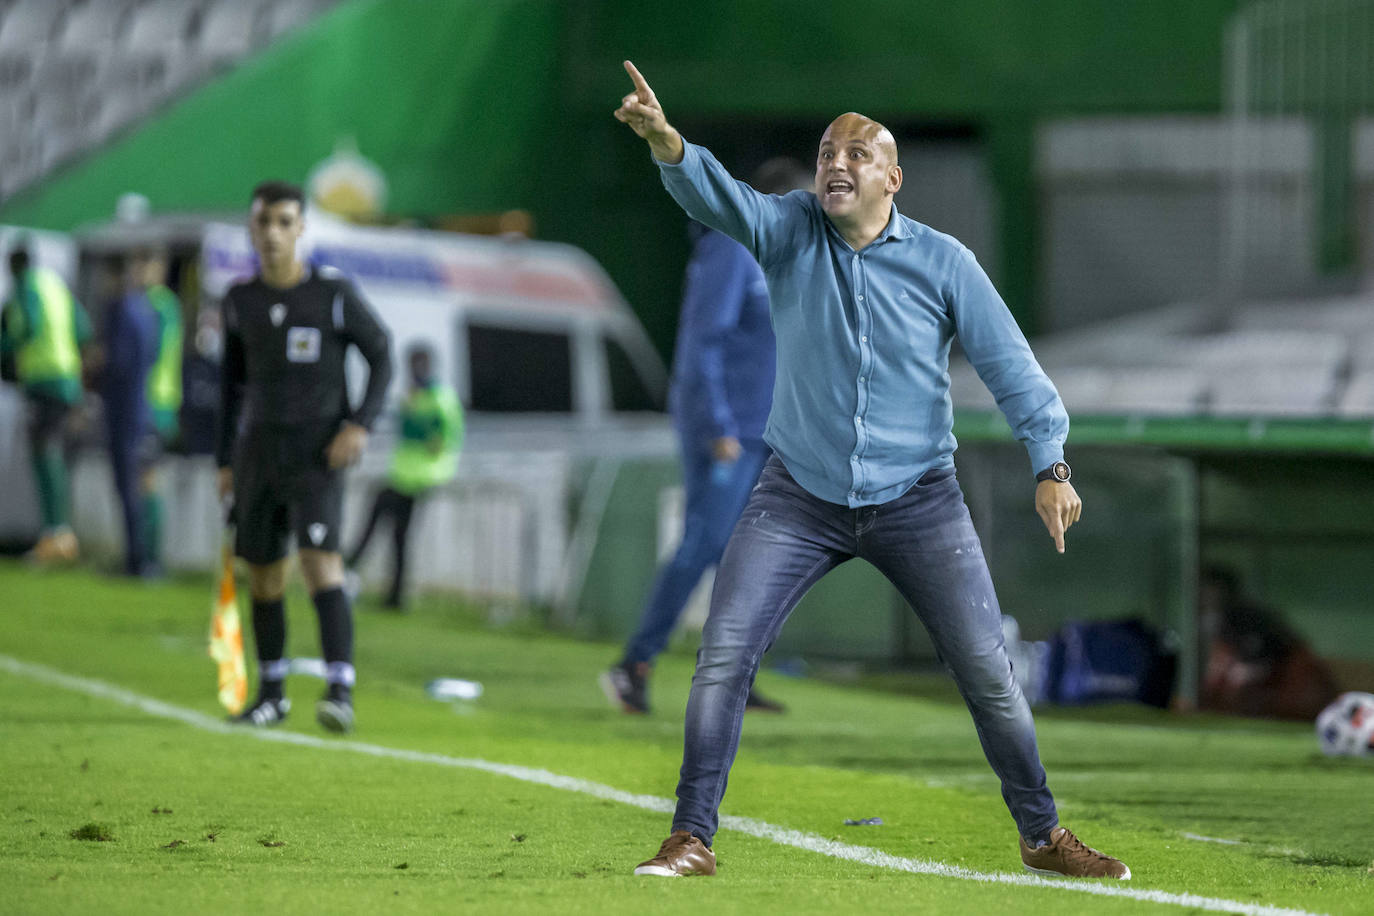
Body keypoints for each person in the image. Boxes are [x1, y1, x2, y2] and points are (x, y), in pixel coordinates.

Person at [613, 61, 1128, 880]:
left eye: (858, 152)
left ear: (893, 177)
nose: (836, 162)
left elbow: (1014, 370)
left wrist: (1051, 464)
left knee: (991, 678)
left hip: (920, 499)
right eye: (826, 151)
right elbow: (718, 198)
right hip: (796, 495)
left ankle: (1042, 834)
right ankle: (690, 837)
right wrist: (667, 141)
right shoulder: (785, 230)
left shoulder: (944, 263)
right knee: (722, 658)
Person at [601, 158, 810, 716]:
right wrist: (717, 423)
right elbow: (701, 343)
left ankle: (734, 676)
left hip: (766, 433)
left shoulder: (782, 261)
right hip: (726, 432)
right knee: (703, 543)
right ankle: (634, 664)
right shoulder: (730, 250)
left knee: (752, 558)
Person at [217, 180, 393, 733]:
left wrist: (358, 425)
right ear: (251, 228)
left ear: (300, 229)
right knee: (264, 576)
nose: (272, 233)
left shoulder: (332, 294)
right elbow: (230, 387)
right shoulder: (240, 300)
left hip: (317, 455)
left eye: (284, 222)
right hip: (258, 455)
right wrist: (223, 461)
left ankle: (339, 687)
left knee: (320, 566)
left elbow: (383, 354)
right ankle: (271, 694)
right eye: (263, 222)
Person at [345, 343, 463, 609]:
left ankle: (351, 567)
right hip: (404, 474)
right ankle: (388, 592)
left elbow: (442, 440)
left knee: (392, 527)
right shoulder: (413, 396)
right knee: (397, 534)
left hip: (421, 477)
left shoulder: (439, 398)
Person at [1, 241, 92, 564]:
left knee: (46, 454)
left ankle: (57, 534)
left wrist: (6, 346)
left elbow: (27, 327)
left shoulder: (25, 287)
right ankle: (58, 534)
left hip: (44, 381)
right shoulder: (54, 284)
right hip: (66, 380)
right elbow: (83, 328)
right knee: (52, 454)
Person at [95, 254, 159, 577]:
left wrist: (96, 364)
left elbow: (118, 361)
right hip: (142, 407)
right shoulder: (147, 309)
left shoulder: (122, 309)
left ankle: (137, 561)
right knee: (142, 485)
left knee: (128, 486)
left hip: (124, 410)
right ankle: (144, 559)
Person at [137, 248, 184, 572]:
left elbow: (150, 351)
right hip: (154, 402)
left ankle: (150, 559)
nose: (139, 271)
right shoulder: (160, 304)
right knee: (143, 480)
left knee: (147, 480)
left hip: (155, 403)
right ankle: (143, 555)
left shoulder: (158, 304)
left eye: (145, 264)